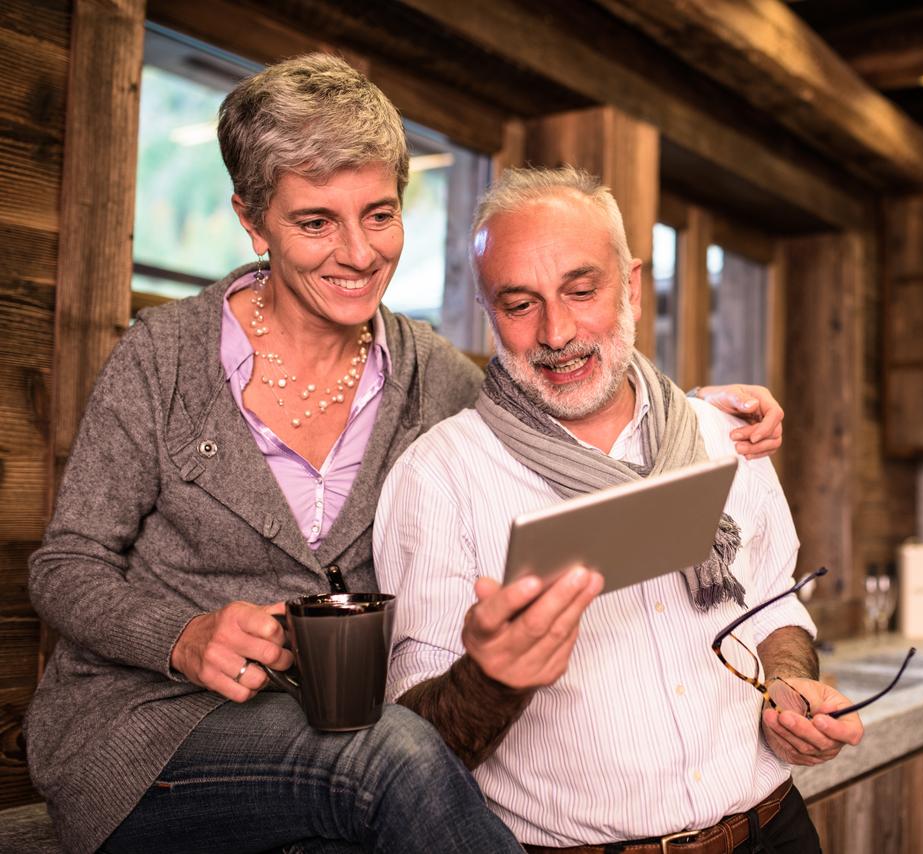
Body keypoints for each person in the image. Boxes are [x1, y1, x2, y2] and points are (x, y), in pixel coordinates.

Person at [25, 55, 784, 854]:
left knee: (389, 759)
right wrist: (180, 636)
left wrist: (692, 406)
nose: (358, 253)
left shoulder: (433, 378)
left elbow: (552, 370)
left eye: (379, 214)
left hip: (318, 743)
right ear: (252, 223)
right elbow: (66, 565)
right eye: (316, 222)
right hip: (149, 740)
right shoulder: (164, 359)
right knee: (397, 753)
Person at [373, 166, 863, 853]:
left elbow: (776, 605)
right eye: (519, 304)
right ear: (487, 312)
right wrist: (493, 679)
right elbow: (415, 751)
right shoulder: (438, 478)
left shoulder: (727, 437)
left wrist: (787, 688)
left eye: (582, 289)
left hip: (773, 831)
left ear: (630, 284)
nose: (557, 331)